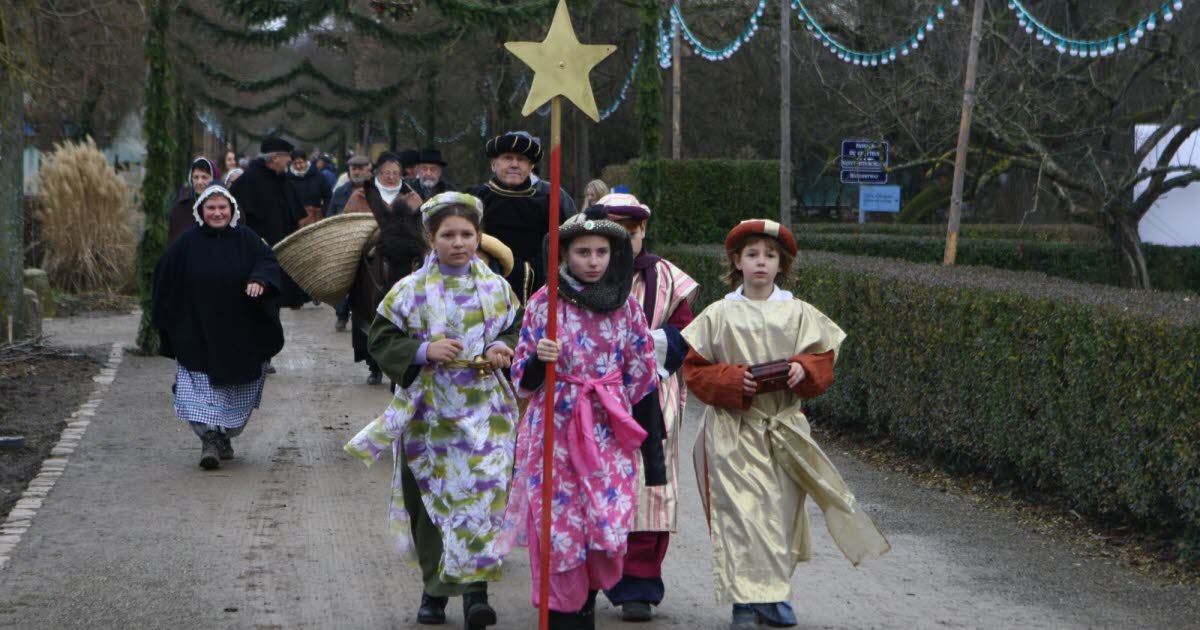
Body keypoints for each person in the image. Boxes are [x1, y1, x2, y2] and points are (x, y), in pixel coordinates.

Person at [681, 219, 890, 629]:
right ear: (736, 261)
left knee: (780, 515)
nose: (761, 262)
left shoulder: (799, 313)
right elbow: (695, 370)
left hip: (786, 430)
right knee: (742, 514)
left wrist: (802, 370)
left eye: (770, 256)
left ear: (782, 265)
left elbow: (822, 361)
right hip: (733, 431)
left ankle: (774, 594)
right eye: (752, 254)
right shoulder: (718, 314)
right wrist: (729, 380)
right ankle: (745, 601)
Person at [345, 192, 521, 630]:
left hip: (486, 413)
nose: (457, 243)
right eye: (448, 235)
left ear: (479, 238)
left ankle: (476, 593)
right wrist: (424, 349)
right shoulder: (408, 292)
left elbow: (516, 327)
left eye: (466, 234)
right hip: (430, 413)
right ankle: (435, 592)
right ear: (431, 238)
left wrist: (503, 346)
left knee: (483, 497)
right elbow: (381, 339)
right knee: (433, 499)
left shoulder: (498, 289)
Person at [498, 213, 659, 629]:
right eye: (582, 252)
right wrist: (539, 361)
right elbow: (522, 380)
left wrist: (654, 459)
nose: (593, 261)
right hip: (555, 428)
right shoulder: (543, 303)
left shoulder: (626, 307)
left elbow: (642, 378)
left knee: (604, 524)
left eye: (601, 252)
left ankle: (586, 598)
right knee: (560, 526)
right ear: (565, 255)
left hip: (607, 429)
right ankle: (563, 612)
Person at [589, 194, 698, 623]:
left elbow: (688, 330)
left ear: (643, 233)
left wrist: (647, 345)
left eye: (631, 234)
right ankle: (590, 577)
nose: (624, 242)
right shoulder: (578, 272)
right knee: (593, 486)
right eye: (615, 233)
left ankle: (637, 584)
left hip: (651, 394)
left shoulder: (667, 277)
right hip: (592, 400)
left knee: (649, 488)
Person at [152, 185, 284, 470]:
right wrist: (171, 317)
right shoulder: (186, 243)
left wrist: (259, 279)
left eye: (222, 207)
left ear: (232, 209)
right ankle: (209, 438)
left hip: (240, 333)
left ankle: (223, 437)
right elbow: (164, 275)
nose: (217, 213)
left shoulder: (247, 239)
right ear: (201, 211)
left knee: (234, 390)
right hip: (198, 332)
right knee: (200, 387)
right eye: (211, 208)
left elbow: (269, 262)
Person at [469, 131, 578, 303]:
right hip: (485, 287)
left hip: (539, 290)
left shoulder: (550, 202)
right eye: (508, 158)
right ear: (493, 164)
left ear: (530, 167)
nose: (515, 165)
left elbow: (564, 245)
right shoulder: (474, 198)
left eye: (521, 160)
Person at [344, 152, 424, 385]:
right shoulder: (361, 195)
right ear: (377, 174)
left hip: (405, 252)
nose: (390, 177)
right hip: (375, 248)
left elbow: (421, 224)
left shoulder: (413, 196)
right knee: (362, 273)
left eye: (395, 173)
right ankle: (373, 362)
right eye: (385, 173)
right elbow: (349, 223)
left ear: (402, 175)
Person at [229, 137, 309, 319]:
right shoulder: (249, 181)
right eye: (287, 156)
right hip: (255, 258)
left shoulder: (284, 181)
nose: (290, 160)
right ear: (275, 158)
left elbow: (296, 218)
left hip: (282, 255)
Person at [166, 157, 215, 248]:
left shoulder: (219, 205)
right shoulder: (181, 206)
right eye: (196, 177)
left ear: (212, 179)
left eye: (204, 177)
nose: (199, 182)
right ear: (191, 179)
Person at [287, 149, 332, 228]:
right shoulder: (287, 179)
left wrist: (324, 212)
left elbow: (328, 196)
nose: (298, 166)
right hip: (295, 221)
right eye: (295, 163)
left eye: (300, 162)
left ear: (306, 161)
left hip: (316, 219)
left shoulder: (318, 176)